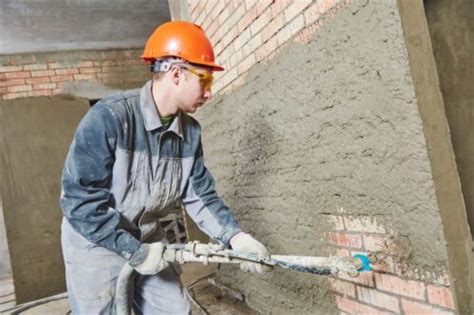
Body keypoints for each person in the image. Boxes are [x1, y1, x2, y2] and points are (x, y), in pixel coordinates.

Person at [60, 21, 272, 314]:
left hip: (148, 237)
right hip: (96, 244)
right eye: (205, 81)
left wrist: (237, 238)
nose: (209, 93)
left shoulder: (191, 133)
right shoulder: (110, 118)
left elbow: (200, 196)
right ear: (176, 74)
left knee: (174, 309)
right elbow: (79, 203)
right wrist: (131, 251)